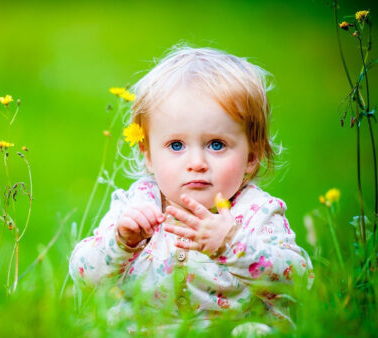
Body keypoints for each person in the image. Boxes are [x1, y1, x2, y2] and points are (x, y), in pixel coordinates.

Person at [69, 46, 313, 334]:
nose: (196, 163)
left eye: (216, 144)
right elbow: (84, 276)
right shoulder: (136, 206)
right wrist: (121, 242)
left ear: (252, 155)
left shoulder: (254, 212)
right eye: (176, 145)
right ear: (148, 154)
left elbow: (298, 282)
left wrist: (233, 244)